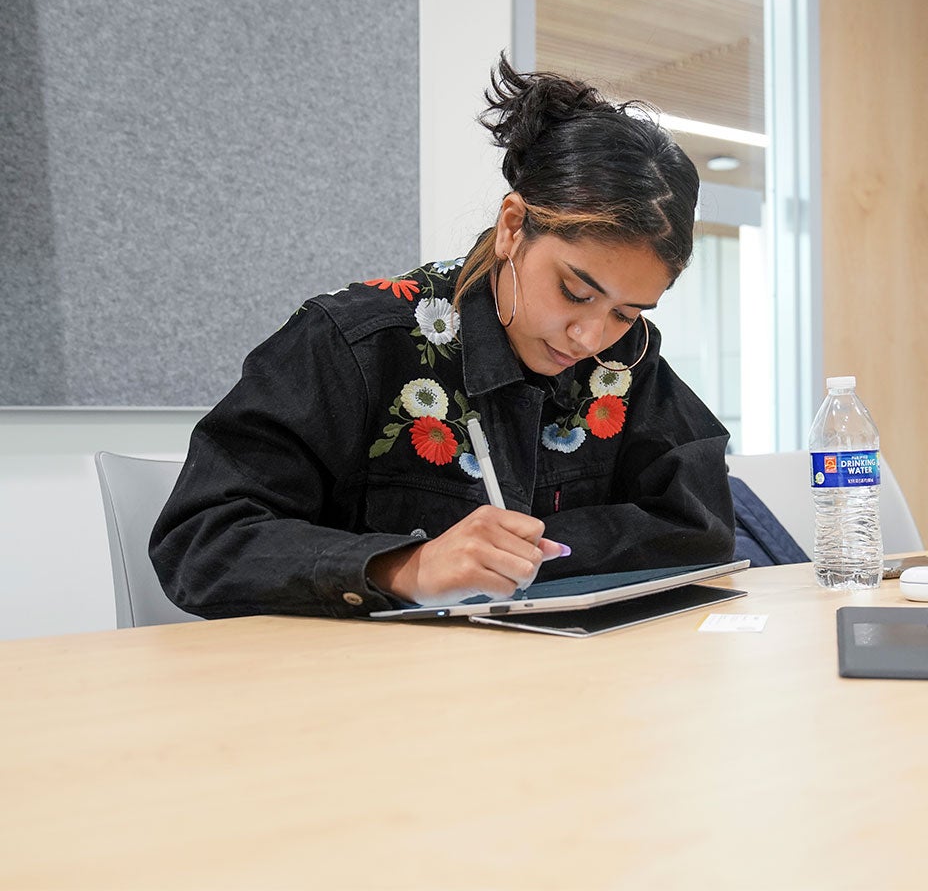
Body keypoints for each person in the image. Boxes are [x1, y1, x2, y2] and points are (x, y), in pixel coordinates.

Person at [150, 54, 736, 618]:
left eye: (628, 312)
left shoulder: (625, 361)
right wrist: (407, 565)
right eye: (575, 293)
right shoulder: (358, 343)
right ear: (513, 227)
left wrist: (529, 550)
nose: (589, 337)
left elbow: (701, 526)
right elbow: (202, 541)